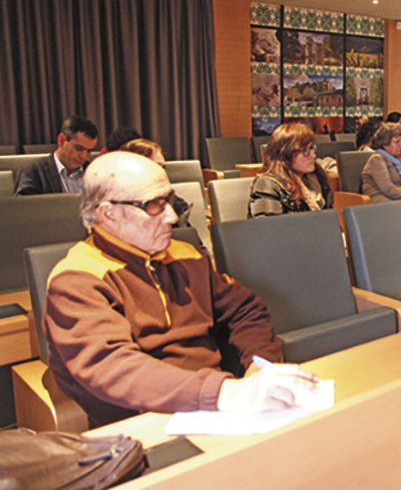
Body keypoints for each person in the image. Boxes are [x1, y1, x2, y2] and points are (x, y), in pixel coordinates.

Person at [43, 152, 319, 428]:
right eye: (153, 205)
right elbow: (115, 368)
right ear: (109, 213)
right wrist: (226, 392)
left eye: (169, 200)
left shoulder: (185, 255)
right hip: (140, 427)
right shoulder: (75, 281)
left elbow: (245, 310)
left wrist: (259, 366)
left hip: (221, 408)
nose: (173, 216)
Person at [249, 123, 333, 217]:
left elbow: (329, 221)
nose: (313, 155)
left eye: (311, 148)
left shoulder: (317, 179)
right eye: (305, 150)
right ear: (285, 154)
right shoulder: (267, 184)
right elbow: (267, 228)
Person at [15, 116, 99, 195]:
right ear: (61, 141)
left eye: (89, 151)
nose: (83, 156)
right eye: (78, 148)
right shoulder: (33, 171)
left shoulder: (94, 172)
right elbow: (24, 207)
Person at [120, 138, 192, 227]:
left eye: (163, 167)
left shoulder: (176, 204)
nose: (162, 172)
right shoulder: (121, 207)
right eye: (156, 166)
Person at [361, 123, 401, 203]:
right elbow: (387, 189)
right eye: (397, 142)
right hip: (379, 199)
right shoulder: (377, 159)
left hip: (397, 198)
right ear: (385, 144)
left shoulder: (396, 159)